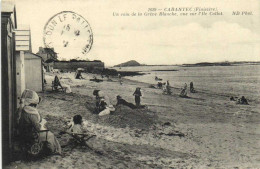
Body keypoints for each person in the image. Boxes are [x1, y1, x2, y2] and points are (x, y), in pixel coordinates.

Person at [18, 89, 61, 155]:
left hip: (24, 132)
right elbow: (37, 127)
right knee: (50, 135)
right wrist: (42, 124)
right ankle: (54, 150)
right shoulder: (31, 113)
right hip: (32, 134)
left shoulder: (23, 110)